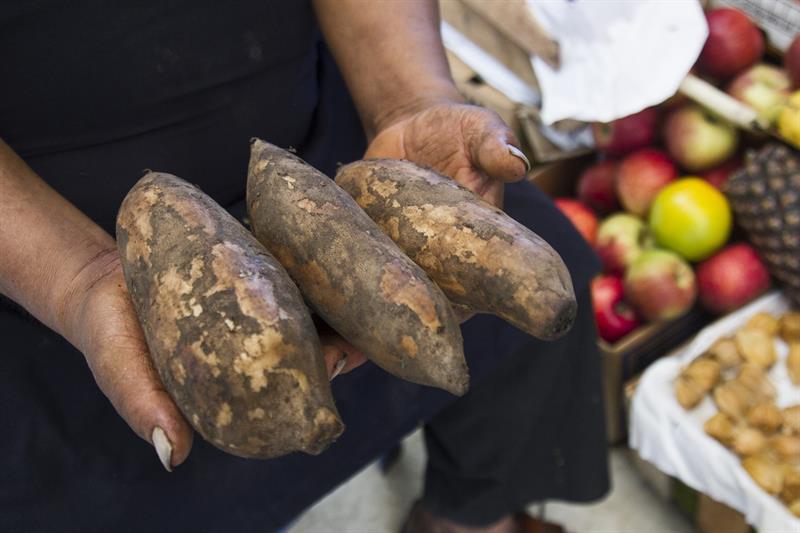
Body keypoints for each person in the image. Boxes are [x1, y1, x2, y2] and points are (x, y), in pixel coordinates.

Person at [0, 2, 608, 532]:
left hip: (333, 151)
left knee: (548, 267)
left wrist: (408, 96)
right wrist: (77, 281)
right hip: (50, 241)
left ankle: (466, 517)